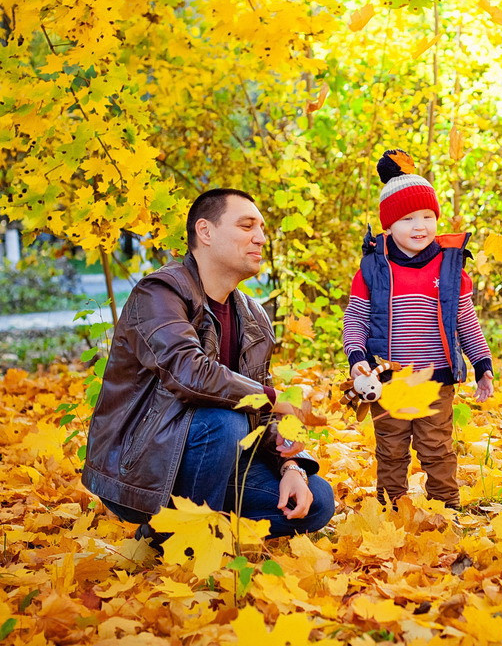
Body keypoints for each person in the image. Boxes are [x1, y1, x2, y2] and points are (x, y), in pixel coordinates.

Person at [82, 188, 335, 542]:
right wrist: (275, 397)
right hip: (143, 470)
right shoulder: (159, 293)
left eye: (261, 228)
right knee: (226, 420)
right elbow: (189, 372)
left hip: (216, 459)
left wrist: (291, 465)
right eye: (247, 226)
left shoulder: (254, 317)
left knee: (319, 501)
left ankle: (195, 528)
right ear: (205, 231)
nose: (260, 238)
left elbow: (261, 415)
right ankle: (180, 541)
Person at [342, 150, 495, 509]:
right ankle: (392, 509)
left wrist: (482, 365)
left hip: (435, 378)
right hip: (388, 380)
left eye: (428, 216)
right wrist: (356, 358)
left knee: (436, 448)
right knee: (391, 450)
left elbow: (466, 321)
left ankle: (447, 508)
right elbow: (356, 318)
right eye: (408, 218)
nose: (420, 226)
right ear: (388, 226)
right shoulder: (372, 270)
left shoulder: (450, 268)